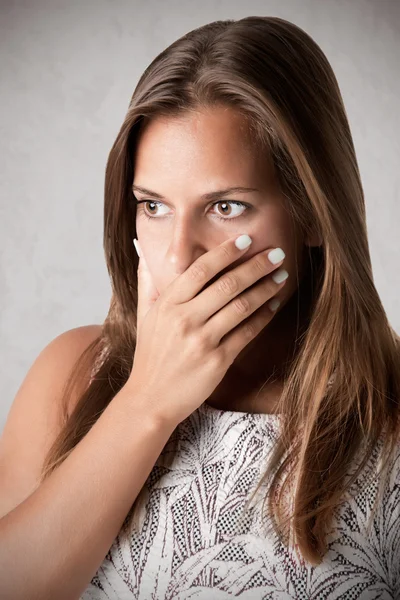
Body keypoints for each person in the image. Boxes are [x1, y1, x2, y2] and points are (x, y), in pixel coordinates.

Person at [0, 15, 399, 600]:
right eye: (154, 206)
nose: (180, 255)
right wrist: (147, 402)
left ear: (313, 213)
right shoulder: (71, 372)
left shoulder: (386, 411)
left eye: (226, 207)